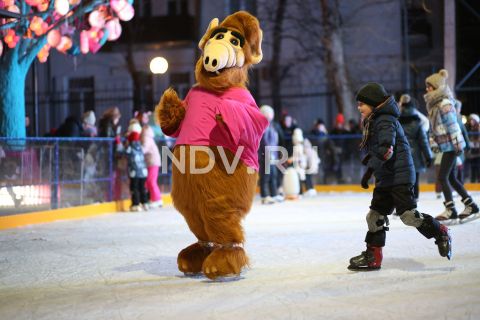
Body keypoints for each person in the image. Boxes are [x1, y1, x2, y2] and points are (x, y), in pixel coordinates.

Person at [348, 82, 451, 271]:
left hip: (400, 176)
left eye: (362, 103)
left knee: (408, 216)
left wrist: (371, 169)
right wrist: (371, 171)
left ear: (373, 103)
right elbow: (380, 151)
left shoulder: (385, 120)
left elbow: (387, 149)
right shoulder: (375, 120)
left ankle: (441, 231)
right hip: (387, 177)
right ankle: (373, 256)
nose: (359, 107)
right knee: (374, 216)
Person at [423, 69, 479, 223]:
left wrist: (457, 145)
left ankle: (451, 210)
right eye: (426, 87)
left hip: (451, 146)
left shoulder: (444, 103)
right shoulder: (435, 104)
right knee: (452, 177)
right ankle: (471, 206)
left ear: (437, 87)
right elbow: (435, 129)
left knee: (443, 177)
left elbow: (453, 126)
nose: (427, 89)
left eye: (430, 87)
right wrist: (435, 145)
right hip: (446, 146)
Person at [398, 94, 433, 200]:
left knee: (402, 179)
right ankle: (414, 199)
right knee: (415, 178)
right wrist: (428, 156)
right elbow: (423, 141)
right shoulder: (418, 121)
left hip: (400, 153)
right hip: (415, 154)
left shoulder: (396, 119)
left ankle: (403, 201)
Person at [116, 122, 149, 212]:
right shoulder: (140, 146)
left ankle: (136, 204)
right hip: (143, 171)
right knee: (142, 187)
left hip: (134, 172)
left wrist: (119, 142)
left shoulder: (130, 147)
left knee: (134, 188)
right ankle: (145, 203)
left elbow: (121, 152)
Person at [258, 105, 282, 204]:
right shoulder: (260, 126)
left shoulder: (273, 126)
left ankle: (274, 194)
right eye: (267, 114)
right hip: (264, 155)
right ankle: (265, 196)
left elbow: (276, 141)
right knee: (265, 176)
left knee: (273, 175)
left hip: (273, 155)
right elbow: (260, 142)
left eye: (270, 114)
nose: (269, 116)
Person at [141, 125, 163, 208]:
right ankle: (153, 198)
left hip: (152, 162)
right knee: (148, 181)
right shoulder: (148, 137)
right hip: (152, 161)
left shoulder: (146, 137)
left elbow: (144, 148)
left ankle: (157, 199)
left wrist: (138, 150)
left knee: (151, 181)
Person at [466, 114, 480, 182]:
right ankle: (473, 182)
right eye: (470, 120)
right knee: (473, 169)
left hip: (478, 152)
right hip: (472, 152)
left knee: (478, 169)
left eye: (472, 120)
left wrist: (473, 141)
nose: (471, 121)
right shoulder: (469, 129)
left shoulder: (479, 128)